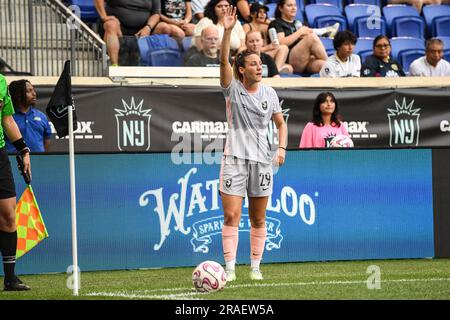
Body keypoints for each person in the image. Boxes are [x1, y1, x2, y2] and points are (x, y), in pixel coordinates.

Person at [219, 5, 287, 282]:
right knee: (232, 215)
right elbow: (223, 62)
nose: (260, 67)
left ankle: (256, 267)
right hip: (234, 158)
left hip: (262, 161)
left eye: (261, 64)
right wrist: (226, 31)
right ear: (242, 69)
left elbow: (281, 124)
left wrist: (281, 148)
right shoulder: (232, 89)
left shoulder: (269, 92)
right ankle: (230, 268)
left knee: (259, 218)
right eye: (254, 64)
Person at [0, 74, 31, 291]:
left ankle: (10, 278)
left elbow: (7, 119)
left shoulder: (1, 81)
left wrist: (23, 149)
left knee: (9, 214)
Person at [268, 0, 339, 74]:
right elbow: (281, 43)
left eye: (295, 5)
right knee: (311, 37)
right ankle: (334, 65)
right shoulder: (276, 23)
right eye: (289, 5)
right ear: (280, 8)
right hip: (290, 61)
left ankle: (334, 70)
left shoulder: (298, 23)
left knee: (324, 65)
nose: (293, 8)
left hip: (306, 59)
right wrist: (299, 32)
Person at [94, 0, 163, 66]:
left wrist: (148, 27)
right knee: (111, 25)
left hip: (143, 28)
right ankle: (114, 65)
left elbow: (156, 14)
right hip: (118, 26)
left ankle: (167, 65)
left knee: (166, 28)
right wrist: (104, 16)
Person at [243, 3, 292, 73]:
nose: (263, 14)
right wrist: (268, 47)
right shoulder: (247, 26)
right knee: (283, 49)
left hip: (265, 55)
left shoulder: (266, 27)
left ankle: (275, 70)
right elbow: (245, 48)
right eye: (259, 12)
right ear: (252, 14)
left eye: (264, 12)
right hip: (253, 55)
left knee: (290, 67)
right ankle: (275, 72)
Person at [5, 80, 51, 153]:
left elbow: (47, 141)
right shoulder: (7, 118)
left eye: (33, 90)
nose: (34, 94)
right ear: (18, 95)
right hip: (14, 160)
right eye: (29, 91)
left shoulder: (41, 116)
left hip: (39, 160)